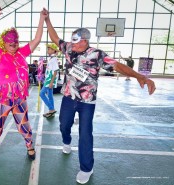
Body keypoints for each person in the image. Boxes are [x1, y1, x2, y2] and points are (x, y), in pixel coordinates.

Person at [44, 9, 156, 184]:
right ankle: (66, 141)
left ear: (85, 40)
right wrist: (47, 19)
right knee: (64, 124)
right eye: (71, 41)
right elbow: (54, 37)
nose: (72, 44)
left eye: (76, 41)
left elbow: (118, 66)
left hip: (88, 101)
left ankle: (86, 168)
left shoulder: (97, 54)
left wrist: (139, 76)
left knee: (86, 132)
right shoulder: (68, 48)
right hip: (68, 97)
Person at [0, 4, 46, 174]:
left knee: (24, 126)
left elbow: (37, 39)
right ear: (3, 43)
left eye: (16, 41)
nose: (14, 43)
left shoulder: (22, 53)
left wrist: (42, 19)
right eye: (10, 41)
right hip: (1, 99)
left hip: (19, 98)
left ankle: (29, 146)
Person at [40, 43, 59, 118]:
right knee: (50, 95)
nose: (48, 50)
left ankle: (51, 109)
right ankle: (51, 111)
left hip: (49, 80)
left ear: (54, 50)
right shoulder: (51, 58)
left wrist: (51, 82)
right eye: (48, 49)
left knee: (41, 94)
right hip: (48, 79)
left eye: (49, 49)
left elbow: (55, 71)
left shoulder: (54, 59)